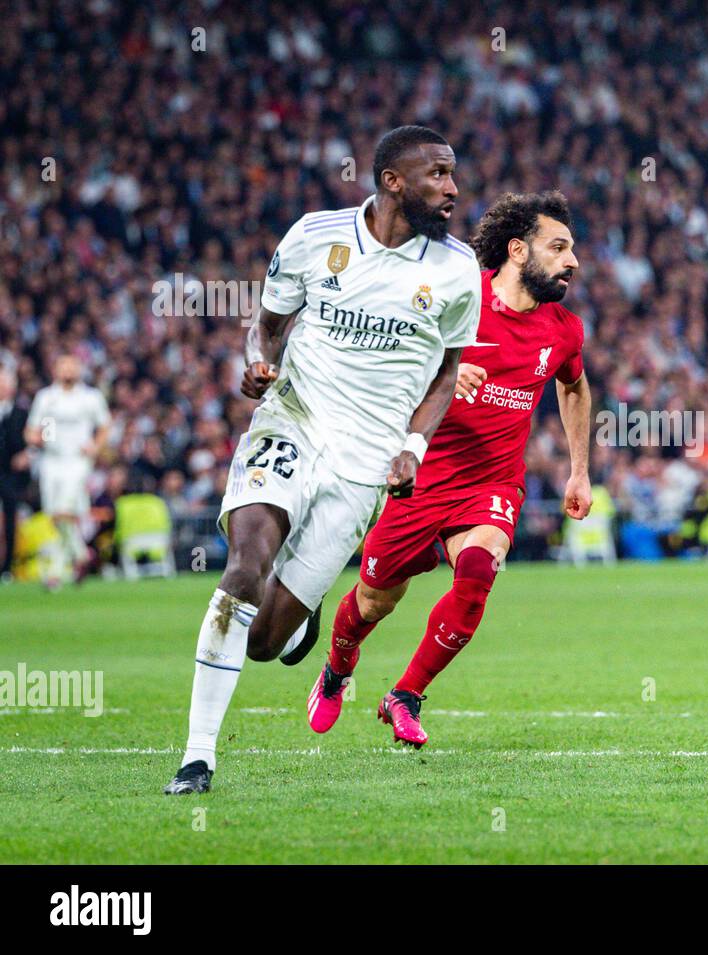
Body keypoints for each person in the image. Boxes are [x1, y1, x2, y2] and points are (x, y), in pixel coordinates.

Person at [163, 126, 482, 794]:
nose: (452, 188)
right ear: (393, 180)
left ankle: (298, 619)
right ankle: (197, 757)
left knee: (264, 639)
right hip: (294, 420)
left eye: (453, 176)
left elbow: (447, 375)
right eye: (438, 175)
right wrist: (260, 362)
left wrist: (412, 447)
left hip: (364, 463)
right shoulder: (315, 235)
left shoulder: (455, 271)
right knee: (244, 567)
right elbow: (270, 322)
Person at [307, 191, 591, 747]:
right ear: (517, 250)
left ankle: (405, 695)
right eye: (558, 247)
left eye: (572, 249)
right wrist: (437, 374)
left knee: (479, 571)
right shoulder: (454, 295)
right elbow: (379, 359)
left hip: (491, 482)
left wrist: (579, 470)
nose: (572, 261)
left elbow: (574, 385)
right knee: (373, 601)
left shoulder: (563, 329)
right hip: (420, 476)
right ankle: (338, 668)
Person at [23, 355, 110, 587]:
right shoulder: (46, 397)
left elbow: (104, 424)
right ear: (55, 370)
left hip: (78, 461)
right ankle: (81, 556)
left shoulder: (90, 397)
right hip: (51, 461)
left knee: (65, 510)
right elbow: (32, 430)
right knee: (55, 515)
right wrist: (38, 438)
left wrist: (95, 445)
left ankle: (55, 572)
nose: (68, 370)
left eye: (72, 365)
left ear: (79, 369)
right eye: (63, 366)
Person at [0, 365, 30, 580]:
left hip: (10, 475)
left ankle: (7, 568)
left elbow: (48, 430)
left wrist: (31, 453)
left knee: (10, 520)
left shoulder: (23, 412)